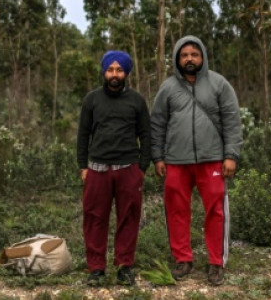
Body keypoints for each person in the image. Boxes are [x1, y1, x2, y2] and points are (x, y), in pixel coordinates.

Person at [150, 35, 243, 286]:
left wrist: (231, 155)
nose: (189, 59)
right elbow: (157, 123)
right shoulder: (168, 88)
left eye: (194, 54)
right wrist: (157, 156)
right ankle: (182, 259)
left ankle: (216, 262)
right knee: (177, 211)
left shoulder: (219, 84)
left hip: (212, 159)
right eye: (184, 55)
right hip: (176, 162)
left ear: (202, 56)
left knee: (215, 211)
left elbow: (232, 122)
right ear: (177, 59)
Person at [77, 50, 151, 286]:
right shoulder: (92, 99)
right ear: (104, 71)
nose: (114, 74)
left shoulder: (137, 101)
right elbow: (83, 134)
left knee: (128, 217)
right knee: (94, 218)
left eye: (119, 70)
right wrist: (83, 165)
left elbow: (146, 134)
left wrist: (142, 167)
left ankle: (124, 266)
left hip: (128, 167)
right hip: (97, 168)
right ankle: (96, 268)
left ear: (126, 72)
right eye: (110, 69)